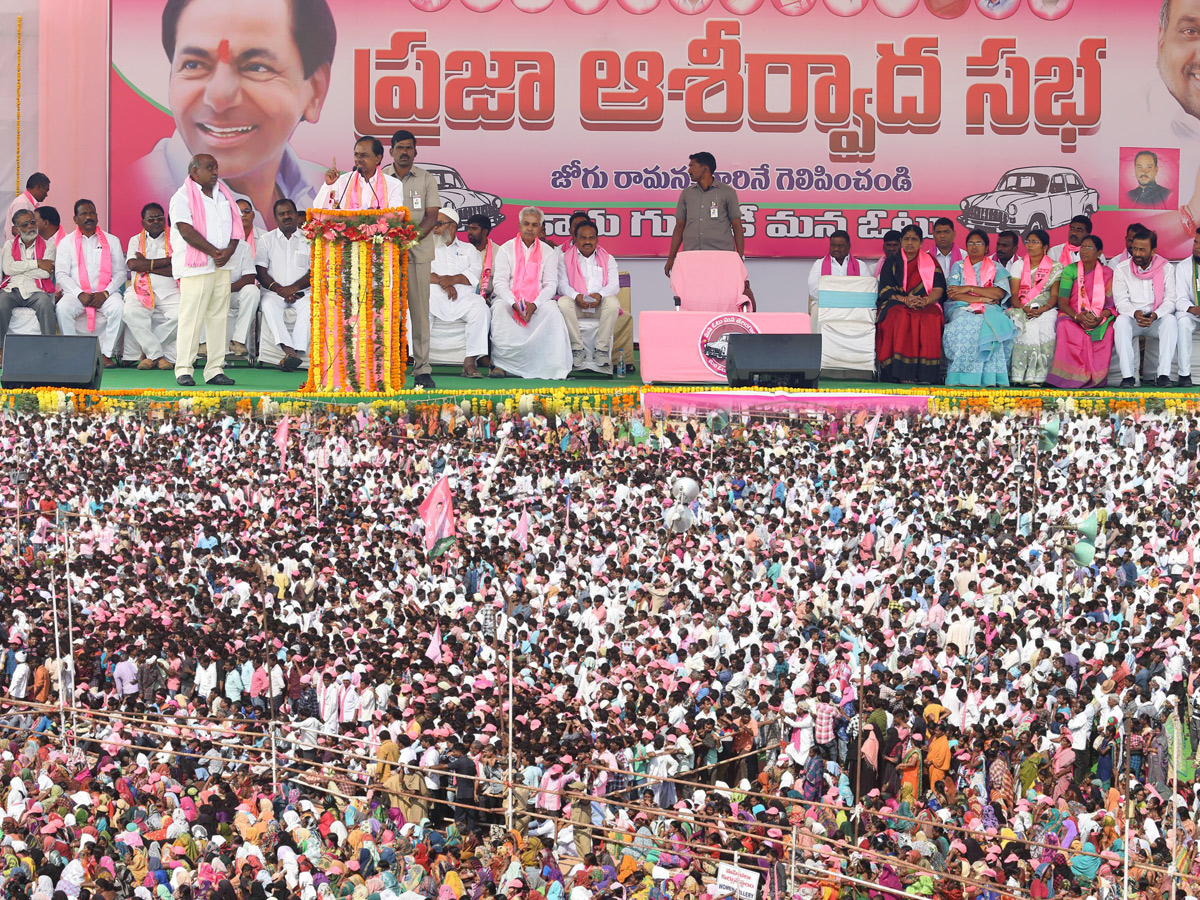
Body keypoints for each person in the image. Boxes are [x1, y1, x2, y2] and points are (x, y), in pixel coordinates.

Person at [124, 0, 335, 231]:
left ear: (315, 90)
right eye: (194, 64)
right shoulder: (132, 187)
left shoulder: (323, 195)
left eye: (257, 67)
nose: (219, 97)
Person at [169, 153, 244, 387]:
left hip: (221, 265)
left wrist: (228, 251)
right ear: (194, 171)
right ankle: (184, 369)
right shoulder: (181, 197)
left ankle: (214, 370)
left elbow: (236, 227)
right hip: (196, 267)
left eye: (217, 167)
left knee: (218, 318)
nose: (215, 172)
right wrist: (214, 251)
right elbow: (185, 230)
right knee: (191, 318)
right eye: (210, 168)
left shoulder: (224, 195)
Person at [381, 130, 440, 389]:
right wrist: (394, 240)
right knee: (385, 312)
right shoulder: (379, 177)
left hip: (417, 251)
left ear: (416, 152)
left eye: (409, 148)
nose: (404, 152)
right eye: (399, 148)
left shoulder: (426, 179)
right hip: (385, 253)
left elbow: (431, 216)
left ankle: (422, 368)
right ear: (391, 151)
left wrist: (410, 239)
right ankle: (384, 366)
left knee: (418, 312)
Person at [489, 207, 572, 380]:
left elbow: (550, 285)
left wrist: (534, 305)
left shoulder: (548, 252)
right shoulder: (506, 249)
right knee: (499, 308)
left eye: (534, 225)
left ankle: (550, 365)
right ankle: (501, 365)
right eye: (526, 224)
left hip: (536, 301)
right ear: (519, 225)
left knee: (552, 311)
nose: (529, 228)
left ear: (540, 228)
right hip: (510, 299)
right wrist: (514, 303)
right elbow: (499, 283)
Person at [664, 151, 754, 307]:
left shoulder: (727, 192)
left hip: (722, 258)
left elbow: (737, 227)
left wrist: (739, 258)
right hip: (692, 256)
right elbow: (679, 227)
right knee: (694, 298)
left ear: (704, 168)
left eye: (692, 166)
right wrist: (671, 258)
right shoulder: (687, 194)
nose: (689, 170)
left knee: (723, 299)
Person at [54, 199, 127, 367]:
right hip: (76, 294)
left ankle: (106, 354)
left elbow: (121, 273)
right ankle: (72, 352)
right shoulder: (66, 243)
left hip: (105, 293)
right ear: (75, 219)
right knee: (63, 308)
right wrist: (79, 294)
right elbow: (61, 274)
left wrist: (106, 293)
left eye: (92, 213)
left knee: (119, 308)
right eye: (83, 214)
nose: (88, 217)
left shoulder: (112, 240)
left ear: (97, 216)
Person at [943, 229, 1015, 387]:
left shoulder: (995, 267)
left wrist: (968, 288)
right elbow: (954, 293)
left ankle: (989, 378)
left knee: (990, 324)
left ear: (987, 247)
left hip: (990, 308)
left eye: (979, 243)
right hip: (961, 307)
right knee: (966, 324)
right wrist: (982, 298)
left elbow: (998, 292)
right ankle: (962, 377)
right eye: (970, 243)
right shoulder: (959, 266)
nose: (974, 247)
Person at [876, 224, 945, 383]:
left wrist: (925, 300)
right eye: (906, 239)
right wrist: (906, 300)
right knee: (900, 316)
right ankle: (900, 374)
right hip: (896, 302)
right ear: (901, 241)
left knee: (932, 317)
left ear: (921, 243)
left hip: (925, 303)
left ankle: (926, 375)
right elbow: (885, 290)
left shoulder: (930, 262)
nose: (910, 243)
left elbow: (939, 288)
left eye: (914, 239)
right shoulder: (892, 261)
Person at [1045, 234, 1116, 389]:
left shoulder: (1108, 273)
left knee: (1108, 331)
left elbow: (1111, 306)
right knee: (1064, 326)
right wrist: (1077, 316)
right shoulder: (1071, 270)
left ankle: (1095, 378)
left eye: (1089, 248)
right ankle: (1068, 378)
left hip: (1099, 318)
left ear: (1099, 253)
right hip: (1072, 315)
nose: (1084, 251)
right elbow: (1062, 301)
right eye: (1082, 247)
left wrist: (1099, 318)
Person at [1113, 226, 1179, 387]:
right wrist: (1135, 313)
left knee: (1170, 321)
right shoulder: (1122, 269)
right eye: (1134, 248)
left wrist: (1156, 314)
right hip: (1133, 319)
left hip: (1156, 319)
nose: (1137, 253)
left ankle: (1163, 375)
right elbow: (1121, 302)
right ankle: (1128, 377)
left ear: (1153, 251)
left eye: (1142, 250)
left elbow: (1170, 300)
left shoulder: (1166, 269)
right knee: (1121, 322)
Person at [428, 207, 487, 378]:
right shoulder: (427, 247)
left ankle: (469, 361)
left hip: (462, 297)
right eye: (434, 224)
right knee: (417, 305)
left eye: (439, 224)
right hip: (434, 297)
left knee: (480, 307)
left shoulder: (469, 249)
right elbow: (422, 272)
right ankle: (420, 359)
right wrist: (444, 282)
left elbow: (474, 273)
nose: (435, 228)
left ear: (452, 227)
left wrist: (452, 280)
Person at [122, 202, 180, 370]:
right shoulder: (135, 240)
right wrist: (165, 263)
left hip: (170, 291)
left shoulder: (176, 239)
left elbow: (176, 268)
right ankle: (158, 356)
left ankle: (149, 352)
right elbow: (133, 265)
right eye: (151, 219)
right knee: (130, 312)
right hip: (140, 290)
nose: (156, 222)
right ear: (143, 223)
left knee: (185, 315)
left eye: (160, 218)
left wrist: (146, 265)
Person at [557, 219, 621, 373]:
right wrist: (576, 296)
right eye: (583, 238)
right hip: (576, 306)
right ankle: (577, 349)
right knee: (563, 302)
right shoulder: (564, 258)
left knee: (612, 302)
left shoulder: (608, 259)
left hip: (598, 306)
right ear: (576, 239)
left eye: (591, 238)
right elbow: (562, 284)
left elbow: (614, 285)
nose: (587, 242)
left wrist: (600, 295)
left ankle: (601, 350)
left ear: (597, 239)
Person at [256, 198, 311, 372]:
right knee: (268, 305)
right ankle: (289, 351)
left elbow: (315, 270)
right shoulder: (266, 240)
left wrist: (294, 288)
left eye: (289, 212)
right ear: (275, 217)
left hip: (302, 293)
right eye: (282, 214)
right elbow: (261, 271)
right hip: (274, 293)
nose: (286, 216)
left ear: (296, 215)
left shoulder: (309, 239)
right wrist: (281, 290)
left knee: (311, 306)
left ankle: (297, 350)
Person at [1006, 228, 1061, 385]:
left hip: (1046, 309)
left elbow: (1055, 296)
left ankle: (1040, 376)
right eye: (1028, 241)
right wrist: (1024, 309)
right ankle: (1019, 375)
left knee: (1046, 326)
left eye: (1034, 242)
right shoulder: (1019, 265)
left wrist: (1043, 309)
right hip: (1022, 307)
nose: (1029, 245)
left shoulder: (1056, 267)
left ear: (1045, 247)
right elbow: (1014, 295)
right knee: (1023, 325)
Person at [0, 210, 57, 358]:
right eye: (25, 224)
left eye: (33, 222)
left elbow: (45, 273)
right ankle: (0, 349)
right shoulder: (9, 245)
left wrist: (19, 268)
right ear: (16, 229)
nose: (31, 226)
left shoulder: (49, 246)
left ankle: (49, 349)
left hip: (36, 290)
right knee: (1, 303)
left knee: (45, 304)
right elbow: (7, 268)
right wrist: (37, 263)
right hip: (12, 289)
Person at [314, 137, 402, 211]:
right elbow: (319, 209)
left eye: (364, 155)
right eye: (356, 155)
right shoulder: (342, 181)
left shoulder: (393, 185)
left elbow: (395, 216)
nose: (358, 159)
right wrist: (328, 185)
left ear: (377, 158)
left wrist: (375, 216)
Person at [807, 230, 870, 303]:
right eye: (833, 245)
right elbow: (814, 290)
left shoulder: (860, 265)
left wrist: (846, 301)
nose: (836, 249)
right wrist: (836, 300)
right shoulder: (819, 264)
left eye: (840, 246)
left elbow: (866, 288)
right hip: (825, 304)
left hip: (853, 304)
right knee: (816, 311)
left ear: (849, 246)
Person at [1172, 226, 1200, 387]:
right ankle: (1184, 374)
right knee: (1182, 321)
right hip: (1193, 314)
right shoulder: (1183, 266)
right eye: (1196, 242)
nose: (1197, 247)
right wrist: (1194, 309)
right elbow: (1180, 299)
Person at [466, 213, 499, 300]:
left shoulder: (499, 252)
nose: (469, 232)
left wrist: (489, 297)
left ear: (485, 231)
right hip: (466, 297)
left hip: (490, 298)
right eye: (468, 228)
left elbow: (502, 281)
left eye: (474, 229)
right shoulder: (464, 250)